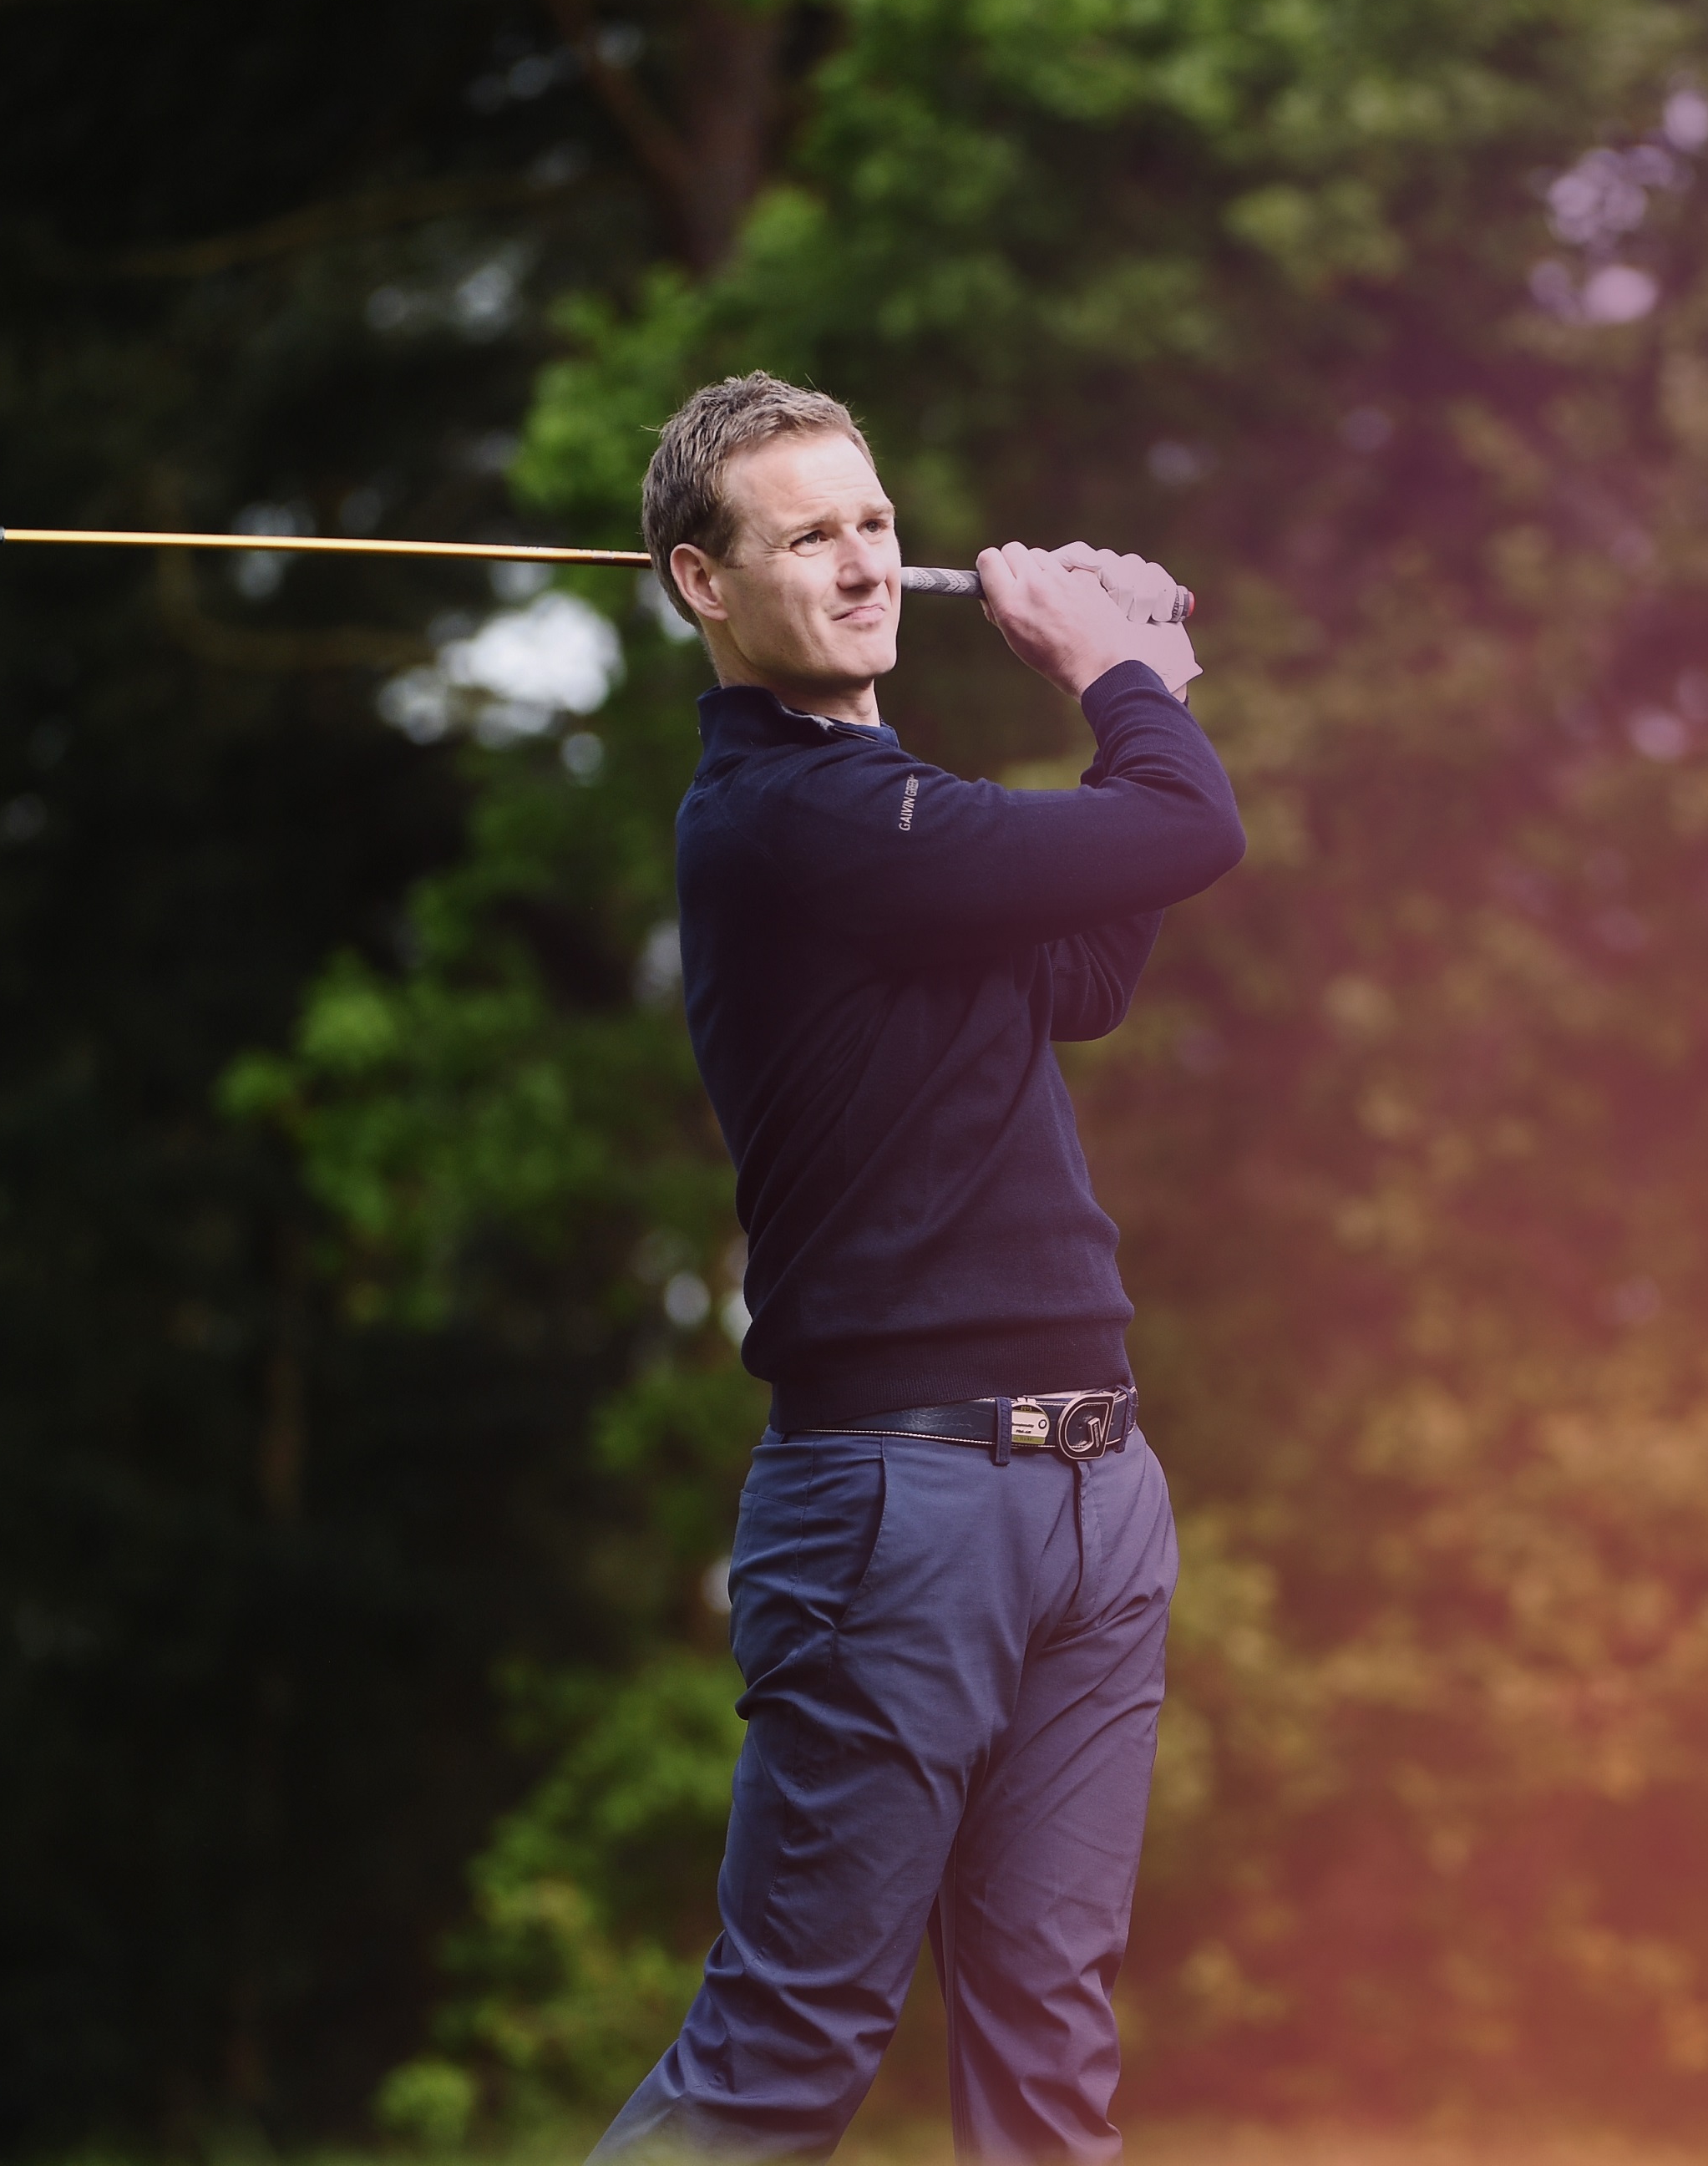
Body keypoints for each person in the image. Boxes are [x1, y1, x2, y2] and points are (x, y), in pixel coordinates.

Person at [588, 373, 1244, 2163]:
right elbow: (1189, 831)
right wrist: (1111, 673)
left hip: (1095, 1492)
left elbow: (1092, 971)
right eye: (808, 535)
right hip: (900, 1503)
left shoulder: (897, 829)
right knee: (783, 2053)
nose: (867, 561)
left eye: (874, 521)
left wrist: (1149, 693)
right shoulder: (786, 827)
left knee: (1048, 2043)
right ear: (699, 586)